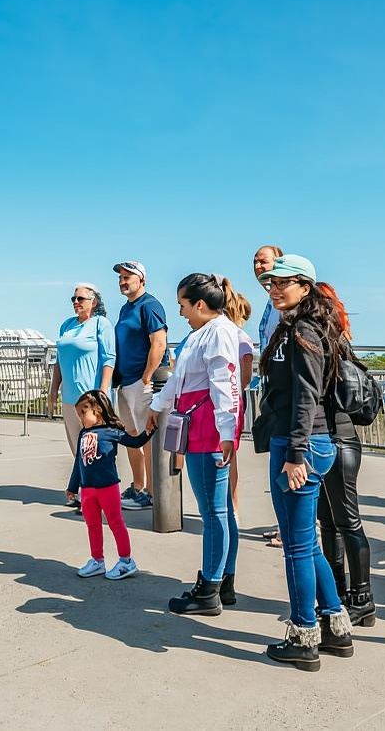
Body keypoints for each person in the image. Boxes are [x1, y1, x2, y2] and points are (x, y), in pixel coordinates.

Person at [253, 254, 353, 671]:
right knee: (306, 543)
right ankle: (335, 627)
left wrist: (295, 454)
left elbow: (306, 396)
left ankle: (303, 635)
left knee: (295, 547)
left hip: (303, 445)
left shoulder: (305, 330)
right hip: (301, 442)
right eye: (270, 283)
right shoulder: (294, 327)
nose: (274, 288)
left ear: (306, 287)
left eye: (284, 283)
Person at [147, 274, 243, 616]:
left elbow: (225, 384)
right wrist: (158, 407)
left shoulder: (216, 334)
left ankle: (209, 587)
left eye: (183, 305)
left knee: (213, 511)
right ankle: (223, 581)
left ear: (199, 304)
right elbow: (179, 380)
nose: (181, 312)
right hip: (206, 425)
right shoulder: (211, 332)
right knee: (222, 511)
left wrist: (227, 431)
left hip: (208, 429)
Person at [315, 282, 375, 627]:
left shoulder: (328, 345)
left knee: (346, 521)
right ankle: (338, 591)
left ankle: (362, 597)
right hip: (338, 440)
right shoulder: (339, 343)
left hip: (338, 440)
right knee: (331, 521)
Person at [66, 390, 150, 580]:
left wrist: (149, 430)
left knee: (116, 523)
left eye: (82, 413)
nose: (80, 418)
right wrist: (73, 487)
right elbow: (78, 463)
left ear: (97, 410)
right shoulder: (83, 435)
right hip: (87, 490)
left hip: (108, 488)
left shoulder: (113, 432)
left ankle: (126, 561)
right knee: (92, 525)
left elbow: (136, 442)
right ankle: (97, 561)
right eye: (78, 414)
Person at [47, 284, 116, 508]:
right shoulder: (66, 325)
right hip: (70, 398)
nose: (76, 302)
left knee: (95, 448)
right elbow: (59, 360)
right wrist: (53, 390)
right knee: (77, 447)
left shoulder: (100, 324)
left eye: (81, 298)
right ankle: (84, 492)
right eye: (73, 298)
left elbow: (109, 359)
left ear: (93, 301)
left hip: (92, 398)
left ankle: (97, 493)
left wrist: (102, 392)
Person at [111, 261, 168, 512]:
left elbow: (158, 343)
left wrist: (147, 376)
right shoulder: (126, 309)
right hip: (126, 381)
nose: (123, 281)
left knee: (147, 438)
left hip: (141, 381)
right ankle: (138, 486)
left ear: (141, 279)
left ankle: (154, 493)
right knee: (132, 435)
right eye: (121, 278)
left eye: (128, 277)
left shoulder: (150, 305)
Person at [252, 244, 286, 547]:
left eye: (264, 261)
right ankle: (283, 523)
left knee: (289, 460)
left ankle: (293, 529)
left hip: (286, 392)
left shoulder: (285, 303)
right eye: (256, 262)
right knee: (277, 460)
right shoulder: (270, 302)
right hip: (271, 387)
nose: (259, 266)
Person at [222, 289, 256, 521]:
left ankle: (232, 505)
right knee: (228, 454)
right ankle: (230, 505)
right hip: (234, 400)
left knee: (227, 454)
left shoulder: (238, 338)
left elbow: (245, 373)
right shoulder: (240, 336)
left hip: (230, 403)